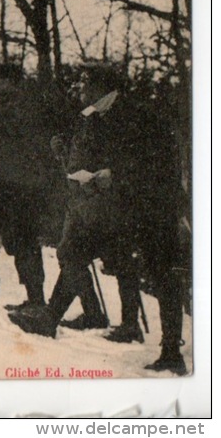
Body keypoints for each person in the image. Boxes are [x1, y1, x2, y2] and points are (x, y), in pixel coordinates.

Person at [10, 62, 189, 374]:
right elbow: (91, 156)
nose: (80, 88)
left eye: (85, 82)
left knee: (163, 273)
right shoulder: (93, 117)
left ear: (103, 86)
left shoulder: (141, 116)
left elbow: (159, 164)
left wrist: (116, 174)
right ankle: (50, 319)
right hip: (114, 206)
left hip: (152, 205)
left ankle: (172, 350)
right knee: (73, 251)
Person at [0, 63, 56, 311]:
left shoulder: (24, 103)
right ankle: (33, 297)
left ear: (10, 82)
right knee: (16, 243)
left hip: (25, 186)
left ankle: (38, 300)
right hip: (5, 183)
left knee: (25, 242)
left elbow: (16, 128)